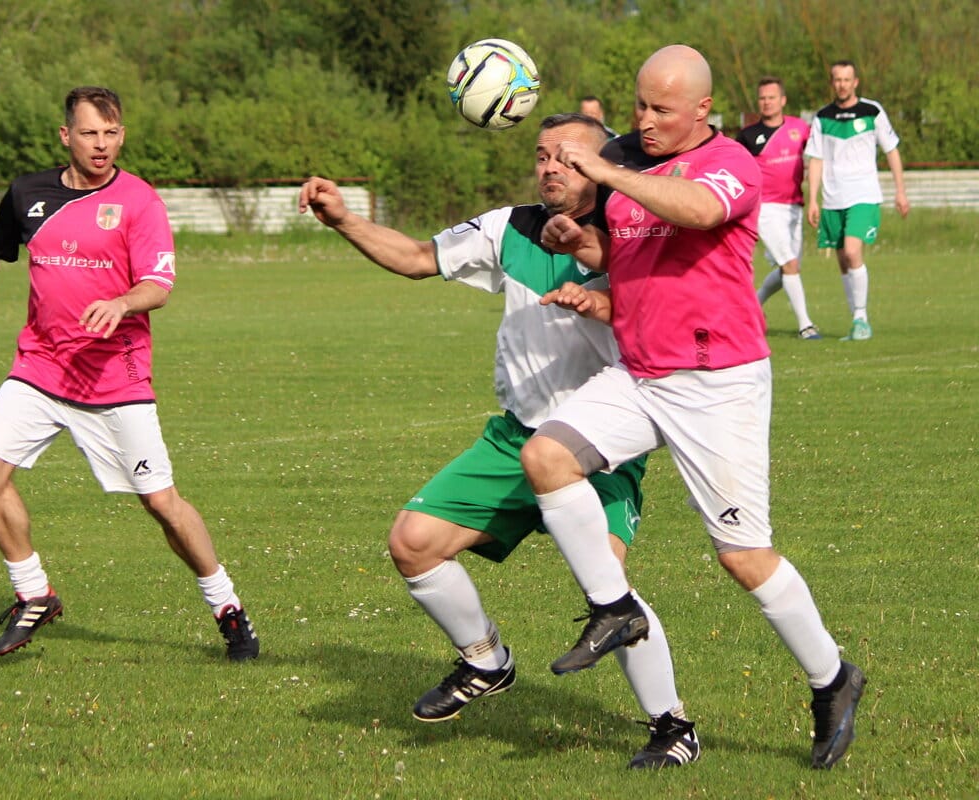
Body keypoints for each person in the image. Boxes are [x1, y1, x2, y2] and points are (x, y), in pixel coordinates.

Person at [298, 112, 699, 769]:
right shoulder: (507, 226)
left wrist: (605, 301)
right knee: (414, 543)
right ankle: (486, 662)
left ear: (602, 166)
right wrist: (344, 217)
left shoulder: (634, 232)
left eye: (568, 158)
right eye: (542, 155)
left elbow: (679, 315)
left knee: (609, 586)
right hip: (517, 438)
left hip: (600, 446)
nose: (549, 167)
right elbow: (416, 259)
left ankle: (671, 725)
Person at [521, 46, 865, 770]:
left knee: (743, 557)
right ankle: (613, 607)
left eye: (661, 110)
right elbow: (624, 254)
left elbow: (699, 210)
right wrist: (578, 241)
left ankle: (833, 677)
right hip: (642, 371)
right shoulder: (631, 160)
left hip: (718, 382)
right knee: (545, 456)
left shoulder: (731, 163)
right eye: (639, 105)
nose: (643, 121)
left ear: (702, 110)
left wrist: (612, 171)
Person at [0, 86, 259, 661]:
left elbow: (158, 285)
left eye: (111, 133)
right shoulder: (28, 194)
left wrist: (122, 304)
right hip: (40, 367)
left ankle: (227, 607)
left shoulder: (139, 202)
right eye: (89, 133)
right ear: (67, 136)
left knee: (163, 505)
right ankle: (35, 594)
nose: (101, 144)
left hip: (115, 380)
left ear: (122, 135)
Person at [805, 60, 910, 341]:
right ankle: (856, 322)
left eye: (847, 79)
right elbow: (816, 158)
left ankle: (861, 317)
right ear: (832, 83)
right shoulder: (822, 117)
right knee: (842, 260)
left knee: (853, 252)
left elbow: (892, 150)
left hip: (863, 194)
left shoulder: (872, 111)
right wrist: (813, 199)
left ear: (856, 82)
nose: (842, 84)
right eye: (837, 79)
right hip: (832, 198)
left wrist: (900, 191)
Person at [736, 77, 820, 339]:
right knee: (789, 264)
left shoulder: (800, 128)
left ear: (782, 100)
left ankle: (754, 305)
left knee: (789, 268)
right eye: (762, 98)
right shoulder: (748, 135)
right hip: (765, 208)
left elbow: (818, 155)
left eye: (771, 97)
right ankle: (806, 325)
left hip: (794, 205)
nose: (767, 102)